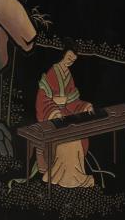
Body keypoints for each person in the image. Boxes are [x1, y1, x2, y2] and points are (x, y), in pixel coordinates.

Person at [35, 39, 95, 188]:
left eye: (73, 60)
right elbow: (42, 98)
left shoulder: (68, 75)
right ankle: (64, 176)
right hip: (51, 115)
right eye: (69, 57)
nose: (70, 61)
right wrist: (54, 111)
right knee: (68, 138)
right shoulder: (53, 72)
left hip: (65, 114)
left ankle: (75, 175)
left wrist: (85, 106)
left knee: (76, 134)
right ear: (63, 55)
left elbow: (73, 102)